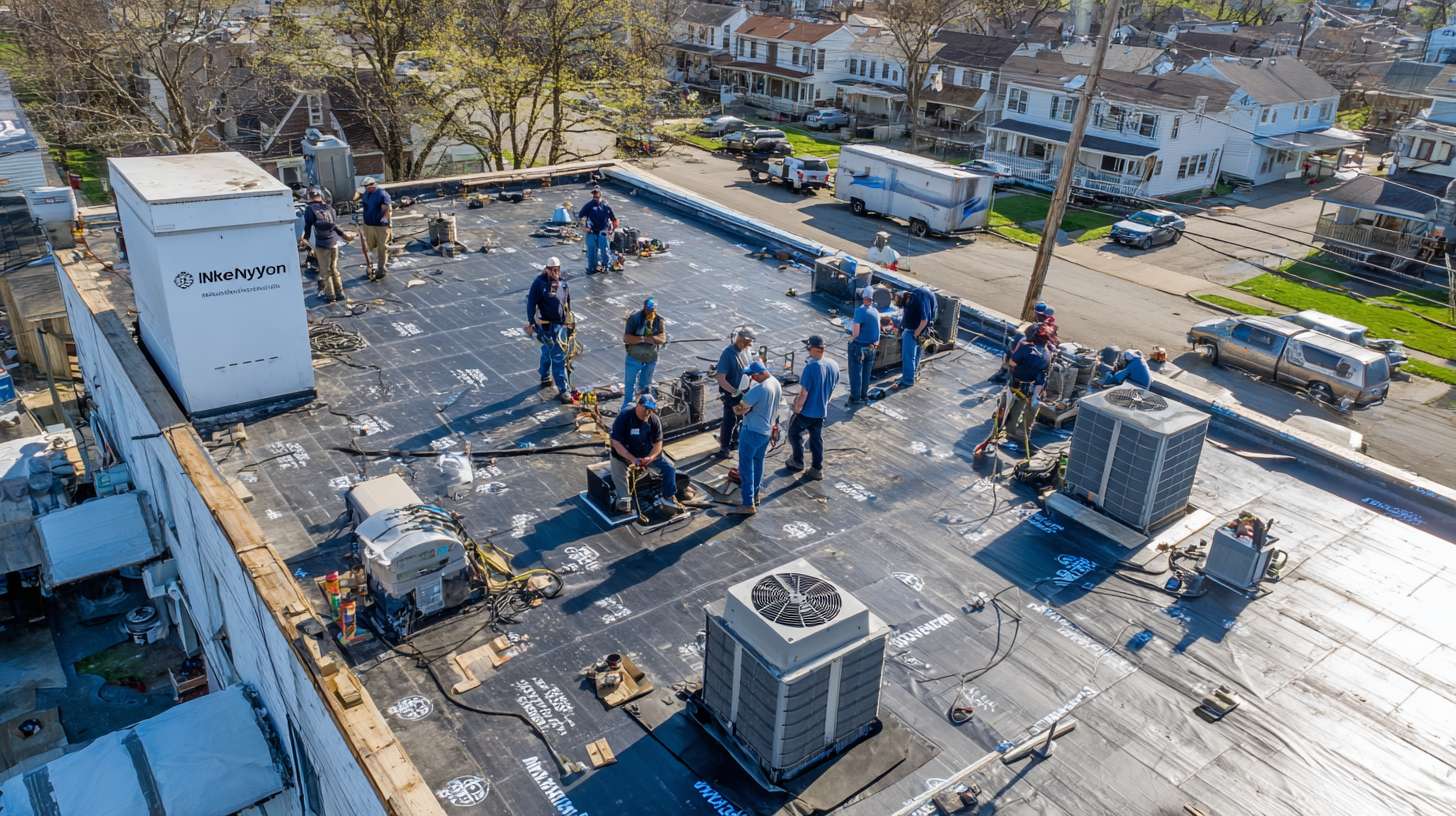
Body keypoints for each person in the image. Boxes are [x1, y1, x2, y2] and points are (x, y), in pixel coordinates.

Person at [609, 395, 680, 514]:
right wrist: (632, 459)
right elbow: (616, 442)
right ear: (638, 405)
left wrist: (650, 457)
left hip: (645, 452)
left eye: (650, 409)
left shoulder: (654, 420)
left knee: (670, 468)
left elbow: (658, 444)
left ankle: (668, 496)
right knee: (623, 498)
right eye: (645, 408)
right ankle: (623, 499)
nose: (648, 412)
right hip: (623, 454)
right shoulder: (624, 417)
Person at [730, 361, 781, 515]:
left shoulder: (760, 389)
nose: (752, 378)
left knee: (746, 467)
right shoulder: (776, 383)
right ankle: (755, 496)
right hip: (765, 432)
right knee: (758, 462)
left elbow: (740, 410)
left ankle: (748, 504)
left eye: (752, 375)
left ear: (760, 373)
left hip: (752, 432)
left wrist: (733, 403)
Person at [786, 336, 839, 480]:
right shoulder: (833, 364)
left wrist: (797, 408)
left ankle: (797, 461)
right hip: (821, 411)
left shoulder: (811, 367)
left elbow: (804, 393)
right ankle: (817, 469)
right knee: (816, 439)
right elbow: (832, 388)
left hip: (807, 412)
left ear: (813, 349)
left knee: (793, 433)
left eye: (808, 348)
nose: (807, 351)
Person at [525, 257, 573, 402]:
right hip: (546, 326)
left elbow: (567, 301)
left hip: (560, 325)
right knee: (558, 357)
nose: (555, 272)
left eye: (557, 269)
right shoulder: (539, 284)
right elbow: (531, 303)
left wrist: (569, 319)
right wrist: (532, 322)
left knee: (548, 351)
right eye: (552, 269)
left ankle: (544, 373)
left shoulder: (562, 282)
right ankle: (563, 390)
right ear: (546, 269)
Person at [301, 188, 354, 302]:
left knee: (325, 271)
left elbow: (308, 226)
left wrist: (305, 240)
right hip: (334, 243)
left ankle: (330, 295)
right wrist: (344, 235)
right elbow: (334, 226)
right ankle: (340, 293)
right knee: (334, 268)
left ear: (310, 198)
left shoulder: (310, 209)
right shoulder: (329, 208)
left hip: (322, 245)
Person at [1006, 326, 1051, 448]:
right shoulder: (1047, 354)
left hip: (1017, 383)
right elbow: (1042, 376)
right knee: (1032, 407)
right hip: (1033, 387)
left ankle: (1010, 429)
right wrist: (1036, 395)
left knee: (1016, 405)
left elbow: (1012, 363)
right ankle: (1023, 432)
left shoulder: (1026, 348)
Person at [715, 327, 755, 457]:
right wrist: (734, 391)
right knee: (729, 420)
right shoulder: (728, 354)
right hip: (731, 394)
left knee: (741, 418)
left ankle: (735, 441)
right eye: (748, 342)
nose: (750, 345)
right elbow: (721, 378)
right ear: (742, 340)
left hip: (743, 392)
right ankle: (724, 448)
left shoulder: (746, 351)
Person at [622, 297, 666, 410]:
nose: (651, 312)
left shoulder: (659, 320)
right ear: (644, 307)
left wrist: (653, 339)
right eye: (649, 309)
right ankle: (627, 408)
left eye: (653, 309)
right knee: (629, 385)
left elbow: (662, 338)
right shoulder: (634, 319)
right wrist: (643, 339)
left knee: (645, 385)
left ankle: (642, 407)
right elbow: (626, 338)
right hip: (634, 358)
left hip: (650, 359)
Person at [895, 285, 937, 388]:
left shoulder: (919, 299)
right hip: (921, 329)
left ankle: (907, 380)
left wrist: (915, 334)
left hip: (916, 330)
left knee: (908, 356)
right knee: (916, 354)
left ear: (906, 298)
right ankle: (912, 375)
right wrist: (900, 327)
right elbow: (906, 314)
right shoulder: (911, 297)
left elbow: (924, 320)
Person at [847, 286, 880, 405]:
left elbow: (855, 333)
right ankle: (863, 395)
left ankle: (855, 397)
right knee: (866, 373)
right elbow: (878, 332)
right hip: (872, 347)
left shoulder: (860, 311)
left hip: (859, 348)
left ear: (863, 297)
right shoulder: (876, 311)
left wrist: (850, 339)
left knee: (855, 373)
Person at [577, 186, 618, 275]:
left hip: (603, 232)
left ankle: (605, 267)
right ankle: (592, 268)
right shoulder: (588, 205)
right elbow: (579, 217)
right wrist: (583, 227)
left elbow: (614, 219)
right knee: (591, 251)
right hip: (591, 232)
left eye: (597, 194)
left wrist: (612, 230)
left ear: (600, 194)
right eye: (594, 194)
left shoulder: (606, 206)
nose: (595, 196)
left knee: (605, 251)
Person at [359, 177, 392, 280]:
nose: (366, 188)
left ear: (373, 185)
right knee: (369, 247)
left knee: (382, 247)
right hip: (369, 225)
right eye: (365, 187)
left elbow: (386, 209)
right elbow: (365, 207)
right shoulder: (366, 194)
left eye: (367, 186)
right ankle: (370, 266)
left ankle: (381, 269)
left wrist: (385, 222)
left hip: (380, 226)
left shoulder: (382, 194)